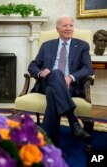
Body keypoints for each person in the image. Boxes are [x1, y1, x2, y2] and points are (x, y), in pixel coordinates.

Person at [28, 15, 93, 146]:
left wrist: (70, 77)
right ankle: (73, 120)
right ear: (57, 29)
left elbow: (88, 69)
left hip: (71, 86)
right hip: (47, 82)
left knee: (54, 92)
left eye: (71, 25)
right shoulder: (47, 46)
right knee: (56, 73)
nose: (69, 28)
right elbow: (33, 66)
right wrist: (41, 73)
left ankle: (51, 142)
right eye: (65, 26)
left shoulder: (82, 46)